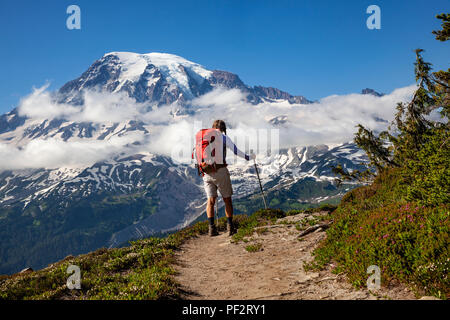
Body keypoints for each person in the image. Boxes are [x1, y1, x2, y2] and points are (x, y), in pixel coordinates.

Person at [201, 120, 255, 236]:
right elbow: (236, 151)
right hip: (220, 171)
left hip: (206, 172)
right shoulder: (223, 137)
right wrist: (249, 157)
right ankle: (230, 228)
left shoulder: (204, 138)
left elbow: (194, 153)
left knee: (210, 201)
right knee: (227, 199)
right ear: (224, 129)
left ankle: (211, 229)